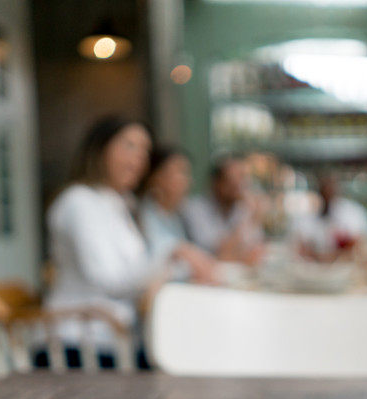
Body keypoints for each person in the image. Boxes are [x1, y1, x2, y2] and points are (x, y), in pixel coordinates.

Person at [40, 116, 207, 369]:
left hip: (115, 338)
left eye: (144, 151)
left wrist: (176, 266)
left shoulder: (119, 204)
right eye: (129, 146)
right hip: (80, 343)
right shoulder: (79, 201)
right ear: (100, 149)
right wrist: (171, 252)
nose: (139, 158)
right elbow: (108, 279)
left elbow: (138, 271)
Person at [139, 146, 218, 282]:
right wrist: (181, 252)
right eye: (181, 172)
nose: (188, 181)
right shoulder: (142, 215)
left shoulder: (175, 216)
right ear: (156, 177)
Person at [181, 156, 265, 265]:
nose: (239, 187)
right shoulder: (195, 209)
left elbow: (255, 248)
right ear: (216, 183)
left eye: (242, 179)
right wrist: (248, 217)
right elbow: (219, 253)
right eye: (232, 181)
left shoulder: (239, 208)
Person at [292, 172, 367, 261]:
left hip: (345, 266)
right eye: (324, 190)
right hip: (313, 268)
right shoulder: (307, 215)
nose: (327, 193)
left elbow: (359, 244)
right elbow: (301, 247)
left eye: (330, 189)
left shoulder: (353, 212)